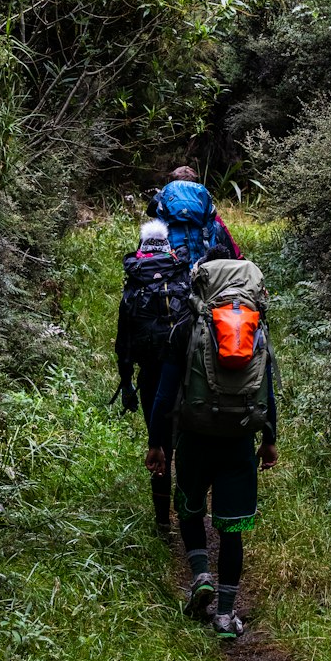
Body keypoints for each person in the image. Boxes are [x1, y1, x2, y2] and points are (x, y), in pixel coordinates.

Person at [145, 251, 278, 638]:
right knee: (232, 527)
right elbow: (266, 392)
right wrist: (269, 440)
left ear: (203, 282)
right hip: (239, 439)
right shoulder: (255, 328)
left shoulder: (187, 326)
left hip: (195, 437)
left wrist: (157, 443)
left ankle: (201, 574)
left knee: (189, 509)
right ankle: (224, 616)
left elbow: (165, 394)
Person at [114, 218, 192, 534]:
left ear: (142, 247)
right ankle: (189, 513)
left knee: (158, 444)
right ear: (168, 246)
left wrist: (127, 382)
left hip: (149, 375)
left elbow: (123, 341)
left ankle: (162, 521)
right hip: (183, 374)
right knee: (186, 445)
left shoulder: (135, 282)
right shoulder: (181, 275)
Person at [147, 165, 242, 265]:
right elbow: (234, 257)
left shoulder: (155, 226)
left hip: (170, 278)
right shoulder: (213, 221)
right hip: (206, 277)